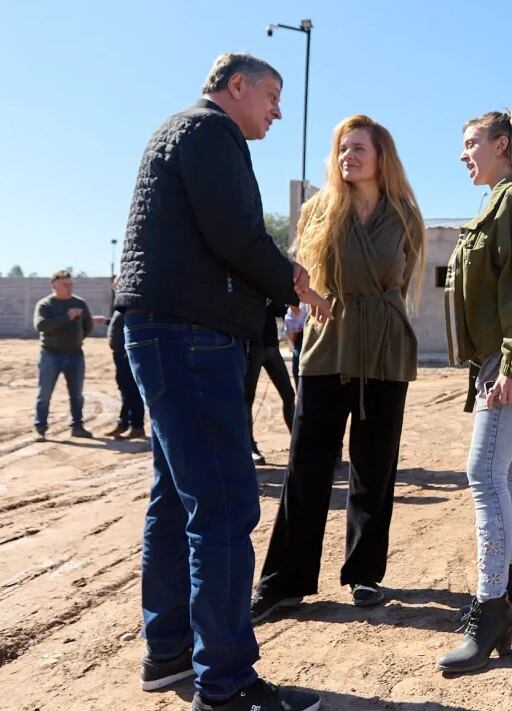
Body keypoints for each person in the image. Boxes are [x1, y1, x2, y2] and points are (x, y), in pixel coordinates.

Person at [116, 52, 328, 711]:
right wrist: (289, 278)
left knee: (178, 499)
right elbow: (235, 237)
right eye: (271, 95)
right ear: (236, 86)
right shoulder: (210, 132)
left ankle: (172, 650)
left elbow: (219, 242)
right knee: (226, 502)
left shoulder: (184, 131)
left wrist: (270, 283)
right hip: (188, 335)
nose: (277, 110)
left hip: (167, 330)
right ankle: (228, 681)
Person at [252, 115, 425, 620]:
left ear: (380, 157)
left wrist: (376, 310)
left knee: (375, 466)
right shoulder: (318, 210)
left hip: (385, 346)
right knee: (308, 464)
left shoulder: (405, 214)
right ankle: (284, 581)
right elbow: (295, 273)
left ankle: (365, 574)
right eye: (342, 148)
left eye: (358, 148)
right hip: (328, 343)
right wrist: (308, 296)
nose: (347, 156)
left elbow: (403, 278)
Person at [437, 108, 512, 673]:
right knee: (506, 469)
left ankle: (490, 608)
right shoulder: (497, 202)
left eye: (471, 143)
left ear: (501, 145)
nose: (463, 154)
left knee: (482, 473)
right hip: (504, 354)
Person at [32, 269, 95, 440]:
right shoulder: (45, 304)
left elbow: (88, 326)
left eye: (71, 283)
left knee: (77, 393)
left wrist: (78, 339)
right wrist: (66, 317)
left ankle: (77, 426)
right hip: (51, 355)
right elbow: (41, 326)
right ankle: (40, 427)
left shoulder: (80, 303)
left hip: (75, 355)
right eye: (65, 284)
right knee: (44, 393)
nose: (69, 287)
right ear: (54, 285)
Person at [244, 299, 296, 465]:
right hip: (252, 347)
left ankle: (297, 442)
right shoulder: (247, 290)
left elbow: (282, 310)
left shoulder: (268, 287)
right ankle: (250, 446)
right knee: (248, 399)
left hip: (272, 348)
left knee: (288, 394)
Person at [104, 276, 145, 439]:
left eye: (118, 282)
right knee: (125, 390)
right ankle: (123, 423)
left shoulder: (130, 302)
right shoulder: (122, 303)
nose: (114, 285)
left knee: (132, 390)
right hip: (120, 354)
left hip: (127, 354)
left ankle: (137, 426)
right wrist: (107, 322)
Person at [284, 303, 306, 387]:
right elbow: (291, 337)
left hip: (309, 337)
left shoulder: (305, 307)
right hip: (299, 341)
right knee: (296, 368)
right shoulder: (288, 317)